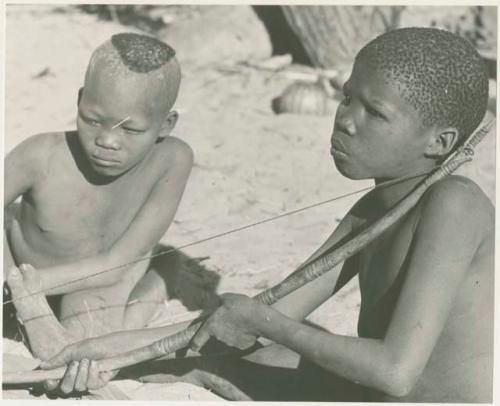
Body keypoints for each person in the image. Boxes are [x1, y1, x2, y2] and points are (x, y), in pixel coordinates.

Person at [39, 27, 494, 402]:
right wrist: (95, 352)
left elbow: (396, 372)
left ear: (440, 142)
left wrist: (263, 324)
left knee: (253, 350)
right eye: (347, 96)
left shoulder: (455, 204)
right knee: (206, 361)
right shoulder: (371, 212)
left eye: (374, 112)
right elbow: (260, 314)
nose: (345, 119)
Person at [3, 32, 194, 375]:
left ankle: (158, 282)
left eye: (131, 130)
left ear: (166, 124)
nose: (106, 141)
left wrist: (30, 291)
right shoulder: (40, 156)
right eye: (92, 120)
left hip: (97, 276)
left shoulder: (172, 160)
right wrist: (13, 280)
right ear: (79, 100)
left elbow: (115, 263)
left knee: (91, 342)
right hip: (18, 273)